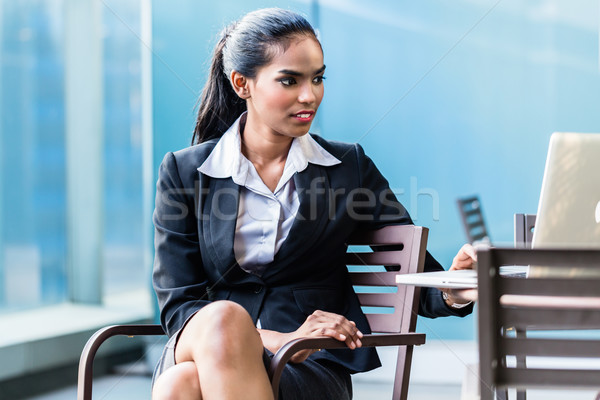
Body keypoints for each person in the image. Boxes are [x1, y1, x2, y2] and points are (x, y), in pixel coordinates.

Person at [151, 7, 475, 400]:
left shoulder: (347, 169)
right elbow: (178, 305)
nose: (310, 95)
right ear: (242, 84)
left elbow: (410, 277)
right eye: (289, 80)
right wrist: (277, 337)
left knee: (179, 385)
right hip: (218, 345)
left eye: (318, 78)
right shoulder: (185, 173)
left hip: (308, 365)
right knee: (222, 320)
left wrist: (454, 288)